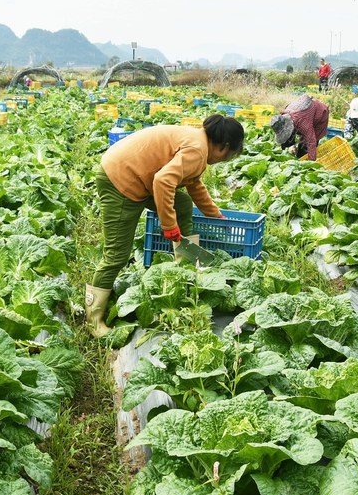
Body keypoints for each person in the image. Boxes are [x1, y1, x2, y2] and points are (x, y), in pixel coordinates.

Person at [86, 115, 244, 337]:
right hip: (120, 179)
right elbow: (163, 181)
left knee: (182, 203)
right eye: (230, 155)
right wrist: (169, 226)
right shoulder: (197, 149)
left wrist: (215, 215)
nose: (224, 160)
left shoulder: (199, 141)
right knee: (117, 255)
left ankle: (186, 264)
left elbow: (194, 184)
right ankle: (94, 320)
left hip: (136, 175)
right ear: (225, 146)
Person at [269, 94, 329, 161]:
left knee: (305, 146)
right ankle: (297, 154)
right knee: (294, 138)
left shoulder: (302, 122)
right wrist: (292, 145)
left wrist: (311, 163)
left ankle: (303, 157)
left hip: (320, 115)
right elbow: (289, 133)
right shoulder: (284, 115)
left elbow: (311, 141)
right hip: (304, 113)